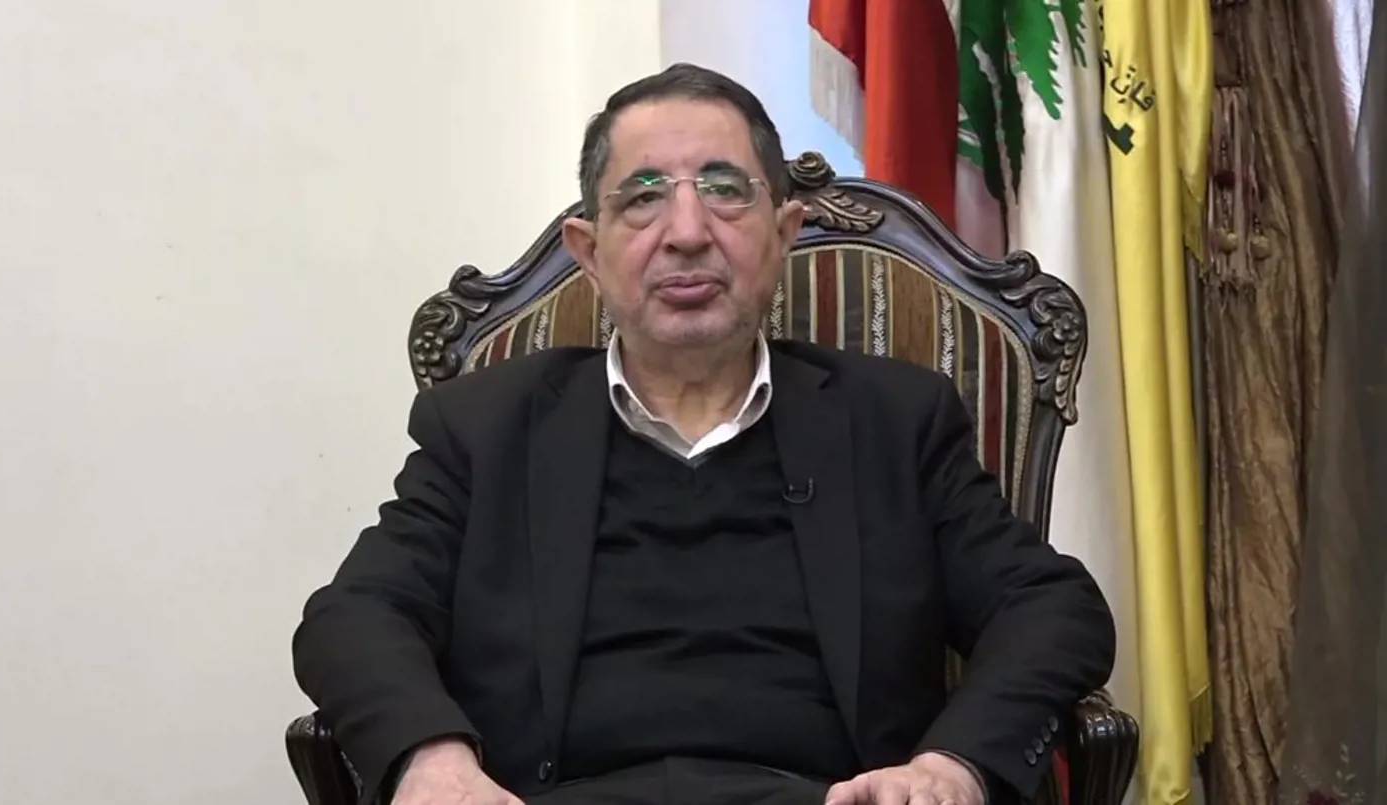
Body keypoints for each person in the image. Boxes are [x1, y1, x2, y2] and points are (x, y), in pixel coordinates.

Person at [293, 64, 1115, 805]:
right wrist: (431, 759)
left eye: (725, 190)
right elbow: (355, 613)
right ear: (589, 250)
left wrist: (953, 765)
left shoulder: (895, 421)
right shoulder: (487, 425)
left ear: (784, 233)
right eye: (642, 196)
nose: (686, 232)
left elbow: (1050, 607)